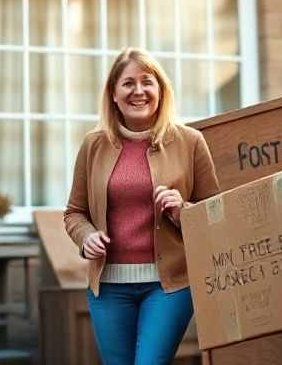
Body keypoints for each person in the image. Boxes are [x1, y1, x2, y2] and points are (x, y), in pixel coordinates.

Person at [64, 48, 220, 365]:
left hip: (169, 286)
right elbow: (74, 213)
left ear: (161, 91)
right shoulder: (93, 145)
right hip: (108, 288)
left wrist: (182, 211)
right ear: (113, 94)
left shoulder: (190, 142)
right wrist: (86, 237)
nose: (138, 91)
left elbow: (215, 212)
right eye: (128, 83)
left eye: (147, 82)